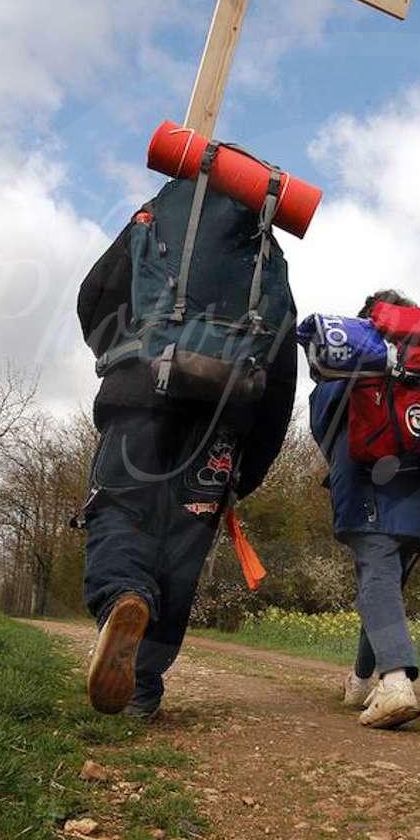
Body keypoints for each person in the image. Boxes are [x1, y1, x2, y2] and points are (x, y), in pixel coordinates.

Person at [76, 189, 297, 720]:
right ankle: (143, 687)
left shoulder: (153, 221)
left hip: (140, 393)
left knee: (120, 511)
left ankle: (123, 596)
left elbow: (94, 297)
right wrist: (250, 466)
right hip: (226, 417)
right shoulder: (265, 256)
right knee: (183, 547)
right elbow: (282, 368)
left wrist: (120, 353)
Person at [309, 290, 420, 730]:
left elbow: (323, 424)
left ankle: (394, 682)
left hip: (370, 487)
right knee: (383, 584)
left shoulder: (352, 364)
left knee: (377, 583)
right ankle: (359, 680)